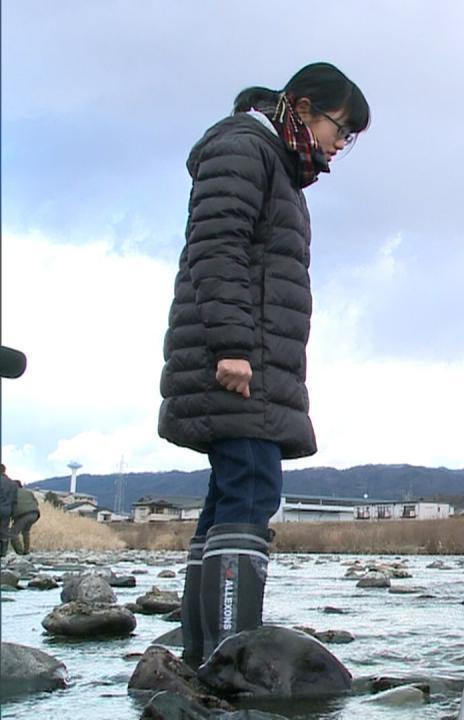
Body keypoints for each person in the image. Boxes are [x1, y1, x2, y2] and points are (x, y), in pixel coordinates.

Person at [158, 62, 370, 667]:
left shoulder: (269, 161)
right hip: (236, 358)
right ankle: (232, 657)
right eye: (340, 128)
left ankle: (205, 656)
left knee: (229, 494)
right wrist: (231, 347)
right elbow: (215, 244)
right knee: (251, 486)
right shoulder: (245, 149)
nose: (339, 145)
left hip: (251, 361)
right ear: (302, 108)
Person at [10, 480, 41, 555]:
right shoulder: (28, 492)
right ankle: (26, 551)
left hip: (23, 515)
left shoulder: (12, 493)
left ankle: (20, 553)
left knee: (13, 533)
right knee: (26, 532)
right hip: (35, 514)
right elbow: (36, 503)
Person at [0, 464, 16, 557]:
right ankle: (3, 553)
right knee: (4, 531)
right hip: (7, 510)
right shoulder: (12, 483)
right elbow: (14, 501)